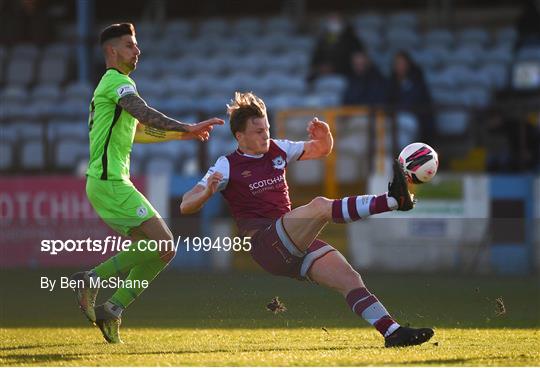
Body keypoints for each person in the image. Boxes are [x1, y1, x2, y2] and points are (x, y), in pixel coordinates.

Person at [180, 92, 434, 348]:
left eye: (267, 128)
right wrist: (206, 193)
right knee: (319, 207)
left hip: (293, 240)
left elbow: (321, 149)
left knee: (350, 279)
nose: (265, 134)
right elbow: (185, 205)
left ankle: (392, 332)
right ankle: (392, 201)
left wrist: (326, 137)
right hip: (265, 244)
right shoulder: (226, 165)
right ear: (239, 137)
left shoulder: (278, 148)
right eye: (258, 131)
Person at [70, 23, 224, 344]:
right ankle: (92, 279)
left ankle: (112, 309)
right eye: (129, 45)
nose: (136, 50)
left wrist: (185, 132)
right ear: (112, 51)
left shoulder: (114, 88)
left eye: (136, 45)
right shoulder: (117, 82)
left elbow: (140, 130)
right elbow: (143, 112)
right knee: (165, 244)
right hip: (108, 181)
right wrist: (187, 125)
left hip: (109, 182)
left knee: (159, 252)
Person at [388, 50, 434, 145]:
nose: (400, 66)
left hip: (412, 118)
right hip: (394, 118)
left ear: (408, 64)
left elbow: (420, 102)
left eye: (403, 63)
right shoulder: (390, 83)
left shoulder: (417, 81)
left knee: (403, 140)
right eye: (398, 63)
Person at [308, 13, 364, 83]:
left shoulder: (352, 40)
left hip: (345, 74)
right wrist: (319, 67)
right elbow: (316, 57)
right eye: (331, 21)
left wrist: (333, 68)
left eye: (336, 21)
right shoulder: (323, 40)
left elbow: (356, 61)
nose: (333, 23)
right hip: (322, 73)